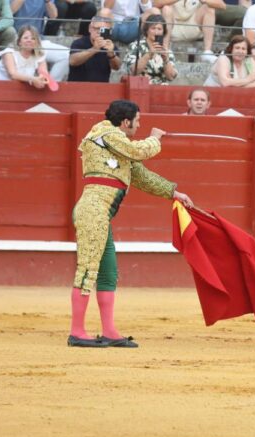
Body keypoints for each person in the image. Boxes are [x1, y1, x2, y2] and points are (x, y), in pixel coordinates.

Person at [68, 99, 194, 348]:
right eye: (137, 122)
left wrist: (173, 192)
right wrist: (155, 138)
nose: (139, 126)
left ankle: (110, 331)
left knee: (108, 272)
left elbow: (141, 176)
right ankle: (77, 331)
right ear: (126, 122)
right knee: (87, 270)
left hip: (101, 214)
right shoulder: (107, 133)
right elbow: (139, 151)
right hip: (93, 211)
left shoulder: (118, 147)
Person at [11, 0, 69, 82]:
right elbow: (11, 10)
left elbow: (54, 15)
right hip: (18, 41)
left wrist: (48, 2)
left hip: (38, 41)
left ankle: (51, 84)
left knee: (66, 54)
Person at [158, 0, 223, 63]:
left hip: (193, 26)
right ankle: (165, 50)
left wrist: (205, 1)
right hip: (172, 27)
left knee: (209, 8)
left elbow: (222, 5)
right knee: (166, 8)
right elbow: (155, 3)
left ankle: (207, 52)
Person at [123, 13, 177, 85]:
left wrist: (166, 60)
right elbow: (133, 71)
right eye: (153, 28)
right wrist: (148, 55)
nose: (156, 32)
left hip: (161, 89)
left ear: (163, 32)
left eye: (159, 29)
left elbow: (171, 77)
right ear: (147, 30)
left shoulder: (166, 50)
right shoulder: (136, 46)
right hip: (140, 86)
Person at [0, 25, 50, 89]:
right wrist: (33, 79)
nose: (29, 40)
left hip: (23, 90)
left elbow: (44, 73)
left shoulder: (39, 55)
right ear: (19, 42)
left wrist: (41, 79)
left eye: (33, 38)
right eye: (26, 38)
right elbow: (13, 74)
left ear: (36, 42)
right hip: (1, 88)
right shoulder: (9, 53)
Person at [68, 16, 121, 82]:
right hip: (78, 86)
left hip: (101, 88)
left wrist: (111, 55)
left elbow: (117, 67)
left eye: (104, 30)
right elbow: (73, 61)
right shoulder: (79, 43)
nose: (99, 32)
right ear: (90, 28)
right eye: (97, 28)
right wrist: (94, 49)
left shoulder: (110, 45)